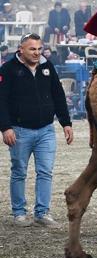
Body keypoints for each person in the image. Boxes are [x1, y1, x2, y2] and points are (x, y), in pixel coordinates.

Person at [0, 33, 73, 227]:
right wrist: (6, 127)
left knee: (45, 172)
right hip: (19, 131)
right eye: (32, 49)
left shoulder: (47, 66)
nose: (37, 52)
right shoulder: (7, 70)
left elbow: (58, 95)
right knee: (19, 172)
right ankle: (19, 212)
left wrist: (66, 123)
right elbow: (1, 101)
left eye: (39, 49)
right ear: (21, 49)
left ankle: (42, 213)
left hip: (46, 131)